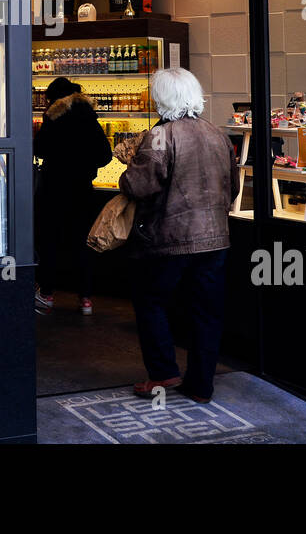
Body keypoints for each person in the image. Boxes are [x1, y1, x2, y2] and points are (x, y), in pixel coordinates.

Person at [119, 67, 239, 404]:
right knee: (206, 311)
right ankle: (201, 386)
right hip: (216, 238)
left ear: (161, 98)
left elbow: (139, 185)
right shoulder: (217, 134)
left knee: (151, 301)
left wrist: (127, 171)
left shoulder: (160, 135)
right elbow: (233, 187)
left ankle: (163, 372)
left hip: (170, 239)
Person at [33, 76, 112, 316]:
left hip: (54, 188)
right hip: (82, 189)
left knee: (50, 241)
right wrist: (85, 166)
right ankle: (85, 298)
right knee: (83, 243)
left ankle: (46, 294)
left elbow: (40, 149)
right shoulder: (89, 115)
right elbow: (105, 155)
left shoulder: (53, 117)